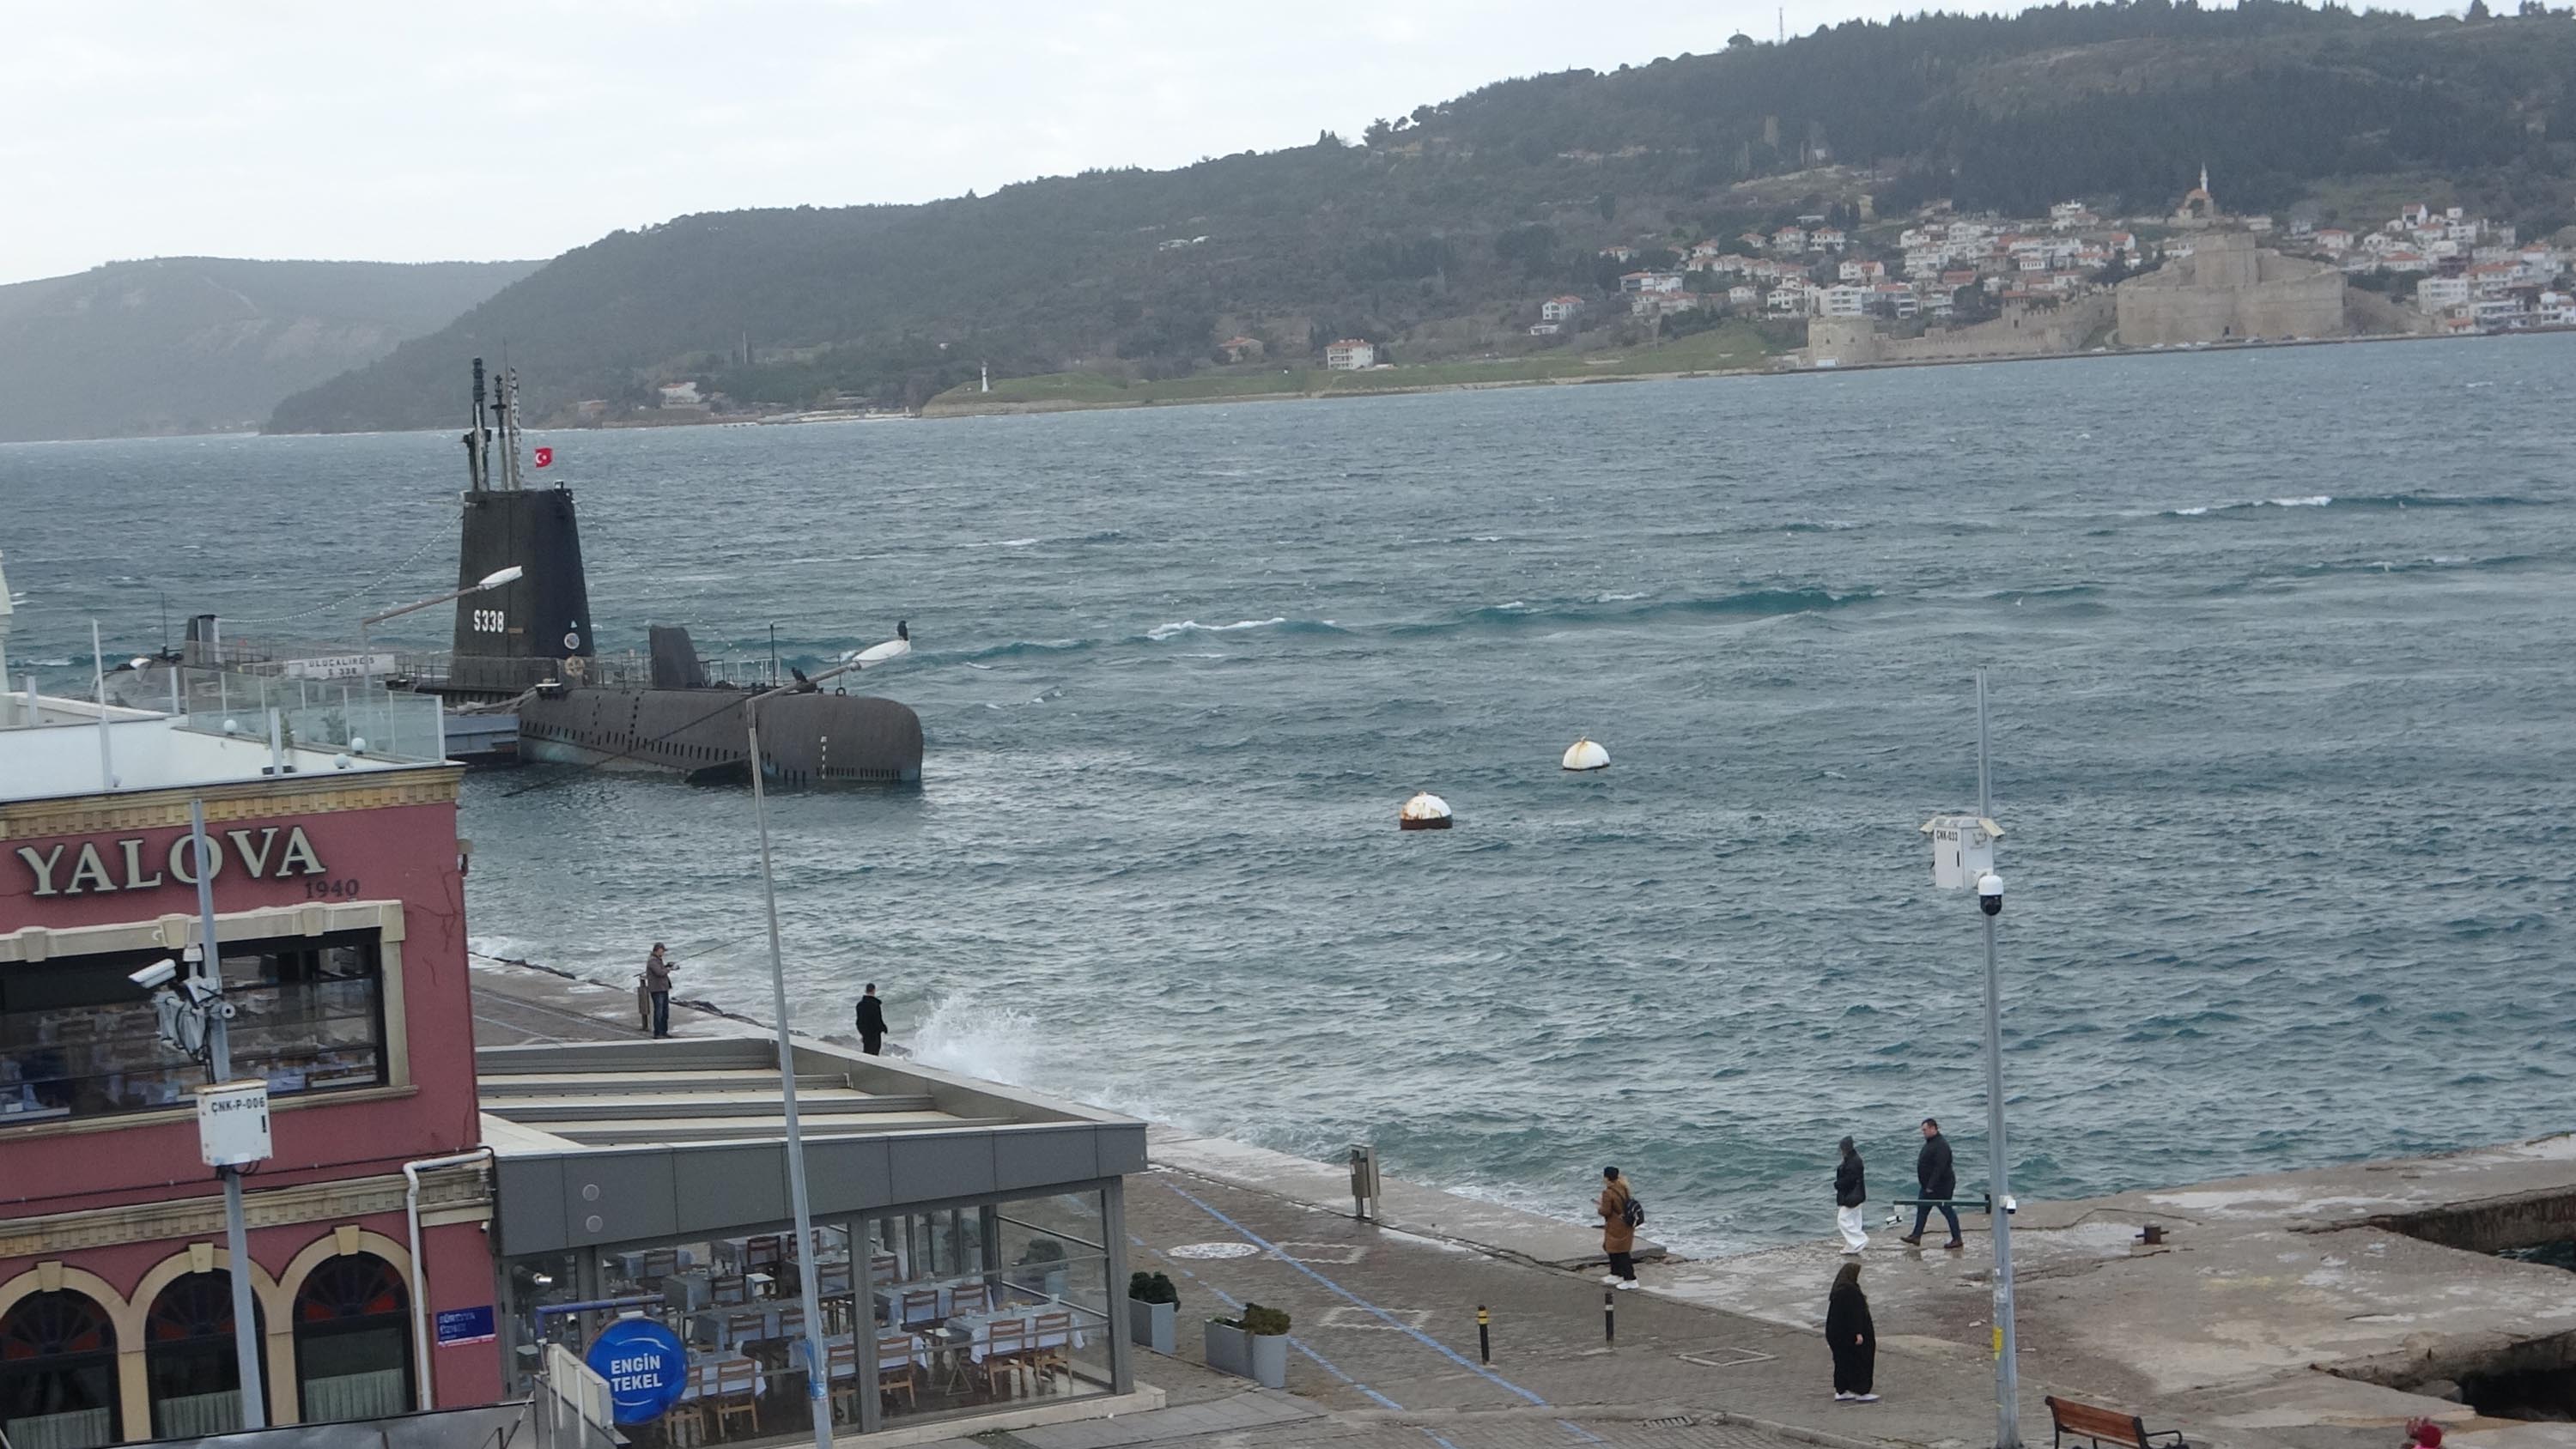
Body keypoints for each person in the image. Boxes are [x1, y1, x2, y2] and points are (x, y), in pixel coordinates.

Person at [1900, 1118, 1963, 1249]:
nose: (1923, 1133)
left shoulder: (1941, 1145)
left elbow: (1940, 1167)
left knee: (1947, 1210)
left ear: (1933, 1128)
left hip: (1940, 1186)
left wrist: (1931, 1186)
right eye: (1922, 1130)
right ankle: (1916, 1236)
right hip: (1927, 1186)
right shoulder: (1931, 1143)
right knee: (1922, 1209)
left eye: (1925, 1130)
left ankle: (1957, 1239)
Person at [1826, 1260, 1878, 1402]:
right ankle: (1862, 1391)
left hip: (1836, 1333)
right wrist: (1858, 1333)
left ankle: (1841, 1390)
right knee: (1861, 1360)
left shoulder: (1838, 1289)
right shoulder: (1850, 1291)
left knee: (1842, 1362)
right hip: (1850, 1334)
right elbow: (1854, 1314)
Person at [1596, 1167, 1640, 1290]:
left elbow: (1606, 1211)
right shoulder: (1624, 1187)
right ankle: (1615, 1274)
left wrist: (1599, 1208)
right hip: (1626, 1224)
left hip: (1616, 1226)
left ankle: (1631, 1279)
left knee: (1621, 1253)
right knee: (1612, 1249)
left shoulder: (1608, 1193)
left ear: (1606, 1178)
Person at [1835, 1137, 1868, 1254]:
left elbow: (1849, 1180)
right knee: (1854, 1219)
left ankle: (1859, 1240)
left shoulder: (1852, 1162)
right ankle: (1852, 1245)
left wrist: (1838, 1184)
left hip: (1852, 1195)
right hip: (1858, 1194)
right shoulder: (1854, 1159)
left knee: (1842, 1219)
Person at [641, 943, 675, 1039]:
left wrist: (667, 966)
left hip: (663, 988)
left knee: (665, 1012)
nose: (663, 953)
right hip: (657, 990)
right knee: (659, 1012)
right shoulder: (652, 960)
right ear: (658, 950)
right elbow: (659, 972)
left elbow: (661, 969)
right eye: (662, 950)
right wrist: (669, 969)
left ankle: (664, 1032)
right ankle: (658, 1033)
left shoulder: (658, 960)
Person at [856, 983, 888, 1055]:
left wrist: (862, 1032)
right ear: (874, 990)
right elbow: (878, 1020)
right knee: (875, 1051)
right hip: (874, 1033)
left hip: (865, 1032)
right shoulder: (875, 1005)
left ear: (866, 990)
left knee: (867, 1050)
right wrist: (884, 1028)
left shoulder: (860, 1005)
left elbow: (859, 1021)